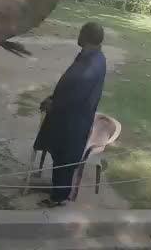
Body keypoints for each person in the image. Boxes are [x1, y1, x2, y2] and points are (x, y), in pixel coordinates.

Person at [34, 22, 107, 207]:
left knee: (66, 157)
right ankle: (57, 191)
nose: (78, 35)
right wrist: (52, 98)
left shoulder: (93, 62)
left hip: (74, 119)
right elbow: (70, 85)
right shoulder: (88, 55)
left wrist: (54, 104)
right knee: (59, 154)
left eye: (81, 32)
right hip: (66, 115)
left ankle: (58, 198)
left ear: (86, 36)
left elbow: (78, 94)